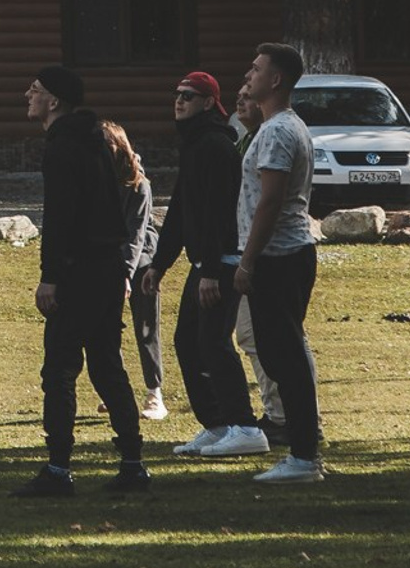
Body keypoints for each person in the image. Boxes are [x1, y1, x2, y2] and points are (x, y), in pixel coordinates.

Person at [13, 66, 146, 498]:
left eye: (35, 90)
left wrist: (50, 277)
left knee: (60, 369)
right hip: (108, 266)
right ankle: (132, 462)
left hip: (79, 270)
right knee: (107, 365)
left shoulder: (62, 147)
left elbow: (60, 218)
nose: (28, 95)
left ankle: (58, 468)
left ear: (54, 101)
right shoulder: (95, 141)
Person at [138, 70, 265, 459]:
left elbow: (217, 213)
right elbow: (181, 209)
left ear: (209, 103)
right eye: (177, 94)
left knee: (213, 342)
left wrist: (210, 270)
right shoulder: (194, 143)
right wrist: (159, 264)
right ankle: (217, 424)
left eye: (189, 96)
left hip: (221, 262)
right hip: (205, 263)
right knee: (189, 341)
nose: (179, 101)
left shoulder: (215, 145)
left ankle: (245, 427)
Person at [233, 41, 325, 482]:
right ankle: (303, 449)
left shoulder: (278, 131)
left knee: (285, 357)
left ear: (275, 80)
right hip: (285, 254)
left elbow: (269, 201)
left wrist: (247, 262)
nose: (248, 75)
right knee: (279, 353)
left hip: (279, 256)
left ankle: (304, 456)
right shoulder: (280, 127)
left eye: (256, 69)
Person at [100, 120, 168, 421]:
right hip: (107, 259)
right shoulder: (96, 180)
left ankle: (155, 394)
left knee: (146, 325)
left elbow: (136, 235)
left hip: (140, 260)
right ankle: (116, 391)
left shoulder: (139, 184)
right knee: (106, 327)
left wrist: (125, 275)